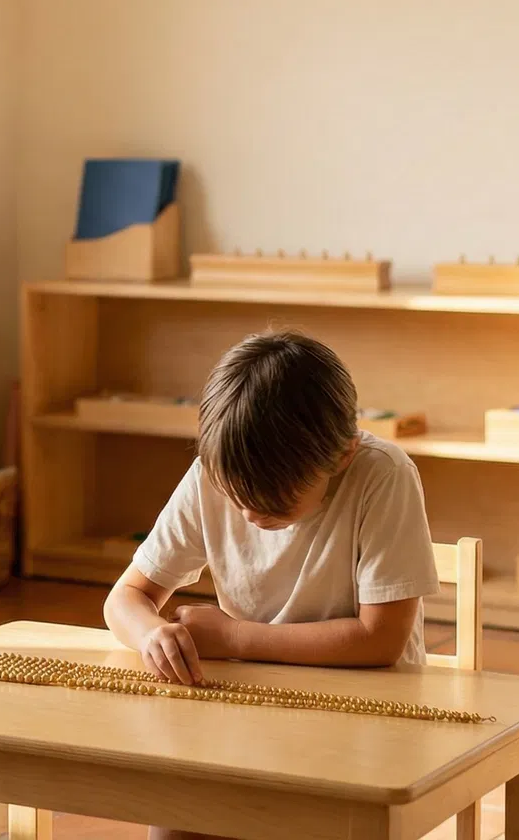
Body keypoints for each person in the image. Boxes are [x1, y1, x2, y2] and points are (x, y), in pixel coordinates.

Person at [102, 330, 441, 840]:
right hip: (251, 711)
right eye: (235, 494)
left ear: (342, 455)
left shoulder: (382, 475)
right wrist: (152, 633)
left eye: (274, 500)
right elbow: (126, 598)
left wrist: (235, 638)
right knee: (174, 819)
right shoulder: (214, 473)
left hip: (369, 720)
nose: (248, 511)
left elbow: (381, 641)